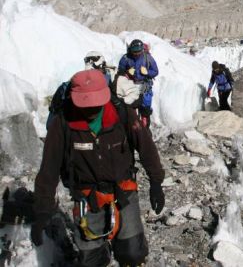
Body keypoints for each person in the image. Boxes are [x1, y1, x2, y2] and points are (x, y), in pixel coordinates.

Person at [31, 69, 165, 267]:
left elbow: (145, 146)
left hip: (124, 191)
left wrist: (156, 182)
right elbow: (49, 168)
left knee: (132, 252)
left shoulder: (121, 113)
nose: (91, 108)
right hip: (87, 197)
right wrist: (42, 210)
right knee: (91, 260)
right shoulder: (63, 123)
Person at [118, 39, 159, 128]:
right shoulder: (126, 58)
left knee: (145, 107)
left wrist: (147, 72)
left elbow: (155, 71)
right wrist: (127, 72)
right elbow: (120, 71)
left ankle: (145, 125)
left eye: (138, 51)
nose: (136, 53)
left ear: (142, 50)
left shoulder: (147, 58)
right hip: (130, 85)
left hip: (145, 85)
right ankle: (132, 124)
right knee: (130, 107)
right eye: (134, 52)